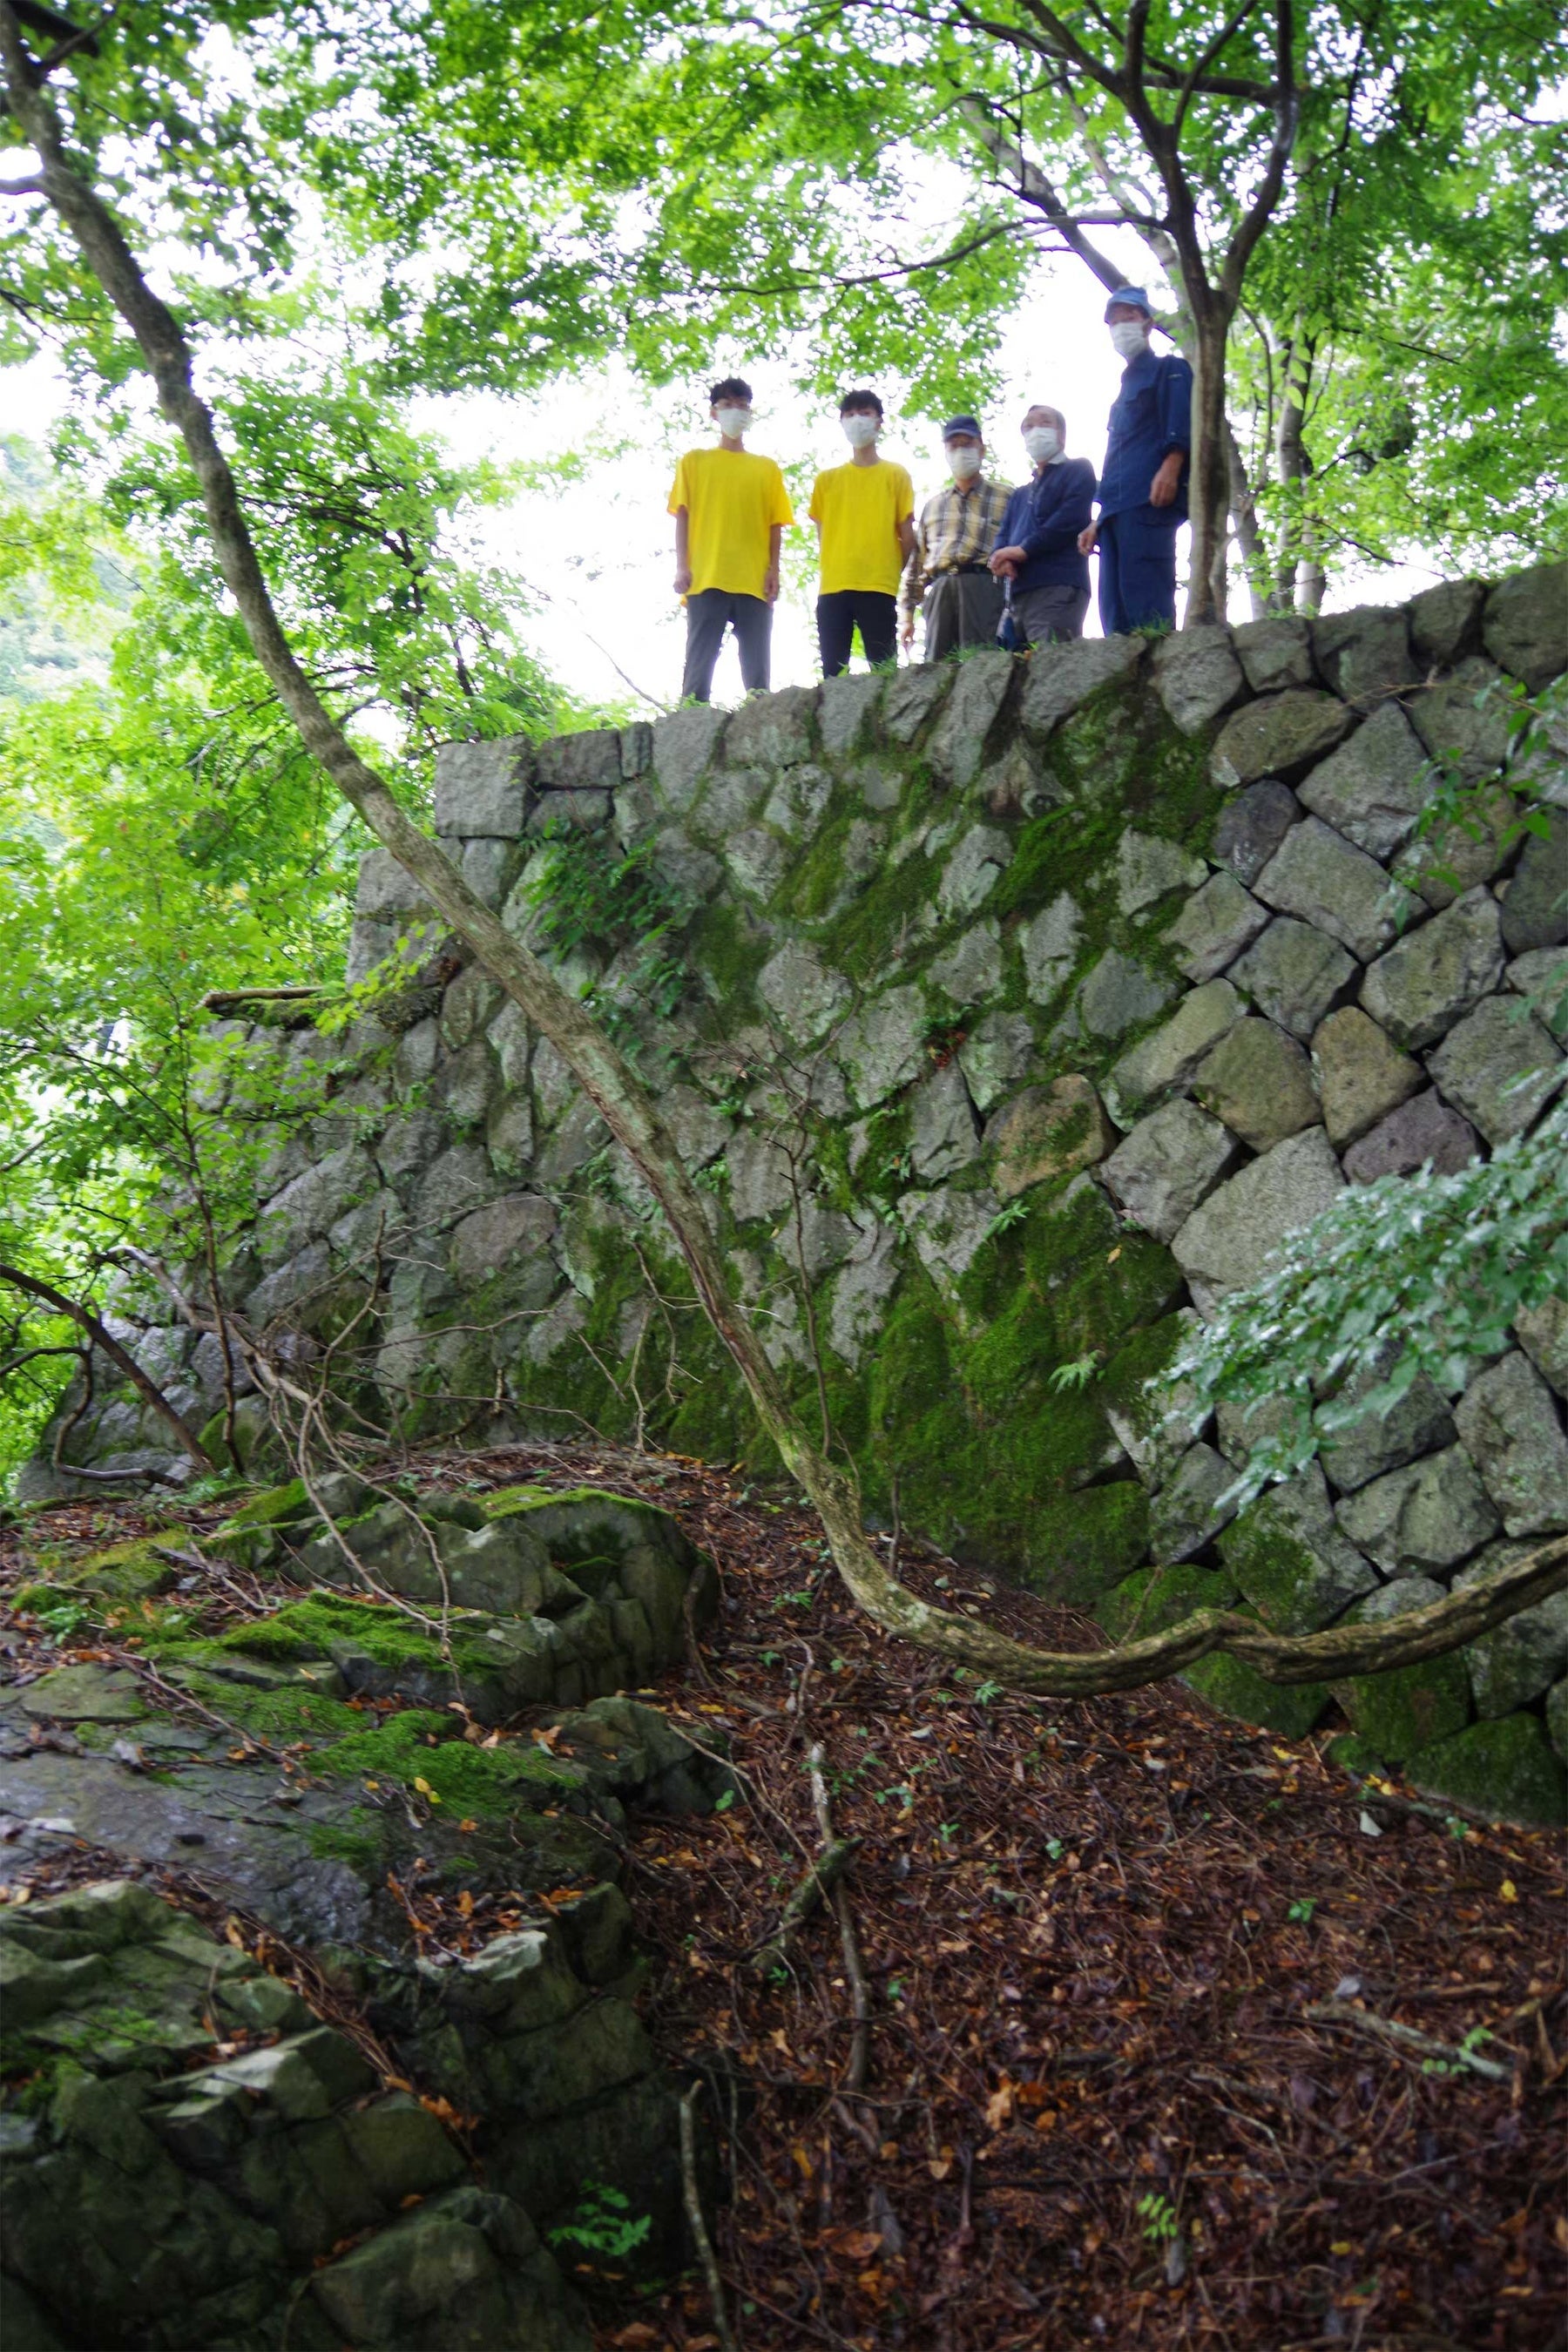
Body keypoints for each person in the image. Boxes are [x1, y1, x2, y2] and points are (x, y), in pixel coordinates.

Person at [669, 376, 794, 704]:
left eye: (741, 406)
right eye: (727, 406)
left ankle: (760, 737)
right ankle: (690, 731)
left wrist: (774, 571)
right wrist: (682, 566)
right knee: (697, 674)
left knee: (758, 682)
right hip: (706, 577)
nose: (735, 412)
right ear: (714, 413)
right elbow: (681, 515)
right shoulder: (694, 462)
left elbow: (774, 525)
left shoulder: (767, 469)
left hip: (753, 581)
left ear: (750, 413)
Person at [1077, 288, 1192, 638]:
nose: (1121, 326)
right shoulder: (1122, 391)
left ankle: (1162, 677)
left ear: (1148, 323)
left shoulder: (1170, 369)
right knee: (1115, 613)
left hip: (1150, 503)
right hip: (1115, 514)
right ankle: (1125, 686)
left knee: (1149, 604)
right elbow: (1117, 459)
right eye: (1115, 320)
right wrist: (1098, 519)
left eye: (1130, 316)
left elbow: (1182, 420)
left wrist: (1172, 465)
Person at [808, 391, 916, 678]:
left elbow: (908, 536)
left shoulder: (897, 475)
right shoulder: (826, 481)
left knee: (884, 673)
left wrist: (892, 567)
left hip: (878, 586)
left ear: (879, 422)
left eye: (866, 413)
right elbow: (824, 536)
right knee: (833, 675)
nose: (858, 420)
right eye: (850, 414)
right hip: (833, 587)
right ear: (842, 422)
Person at [898, 416, 1010, 661]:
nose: (961, 450)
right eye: (954, 445)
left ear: (981, 448)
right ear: (946, 452)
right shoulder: (934, 505)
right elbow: (917, 564)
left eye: (967, 443)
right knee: (935, 668)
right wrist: (907, 616)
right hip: (940, 589)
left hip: (984, 586)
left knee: (980, 664)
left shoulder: (1007, 497)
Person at [987, 405, 1096, 646]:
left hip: (1058, 586)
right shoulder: (1020, 494)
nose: (1035, 431)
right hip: (1018, 594)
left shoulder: (1078, 470)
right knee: (1015, 676)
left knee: (1050, 667)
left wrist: (1022, 551)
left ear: (1062, 434)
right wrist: (1000, 559)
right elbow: (1003, 534)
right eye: (1028, 426)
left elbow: (1069, 520)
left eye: (1044, 423)